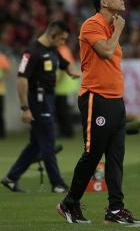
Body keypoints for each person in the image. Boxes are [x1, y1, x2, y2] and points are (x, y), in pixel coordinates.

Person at [57, 0, 140, 225]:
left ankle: (115, 210)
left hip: (116, 100)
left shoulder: (110, 25)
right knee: (92, 154)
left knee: (116, 156)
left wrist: (116, 29)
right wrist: (118, 30)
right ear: (104, 2)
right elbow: (106, 51)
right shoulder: (92, 24)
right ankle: (69, 204)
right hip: (97, 98)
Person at [1, 21, 81, 193]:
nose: (63, 43)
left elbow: (66, 64)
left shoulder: (52, 50)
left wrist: (73, 71)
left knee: (36, 144)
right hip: (38, 99)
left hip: (49, 98)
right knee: (48, 141)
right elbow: (22, 79)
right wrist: (25, 108)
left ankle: (11, 178)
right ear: (52, 35)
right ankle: (57, 183)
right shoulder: (31, 52)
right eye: (62, 39)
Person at [55, 44, 80, 138]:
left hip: (64, 86)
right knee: (62, 110)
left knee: (63, 110)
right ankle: (65, 131)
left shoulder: (62, 50)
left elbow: (63, 68)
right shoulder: (64, 49)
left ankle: (67, 132)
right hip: (64, 85)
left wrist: (58, 82)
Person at [0, 51, 10, 138]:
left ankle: (2, 134)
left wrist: (2, 80)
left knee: (0, 113)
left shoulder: (2, 57)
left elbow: (7, 71)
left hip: (0, 91)